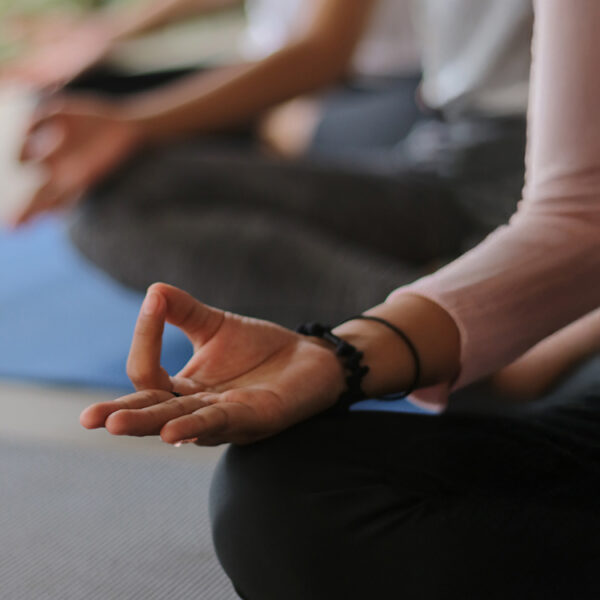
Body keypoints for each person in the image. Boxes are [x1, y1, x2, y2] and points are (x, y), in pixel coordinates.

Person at [80, 1, 600, 597]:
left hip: (454, 139)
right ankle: (493, 337)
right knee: (283, 498)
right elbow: (579, 213)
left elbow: (323, 52)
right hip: (453, 147)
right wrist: (338, 355)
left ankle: (527, 338)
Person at [9, 0, 532, 326]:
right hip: (443, 151)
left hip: (489, 149)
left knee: (261, 496)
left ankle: (444, 327)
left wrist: (134, 123)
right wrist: (110, 33)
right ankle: (426, 316)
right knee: (114, 207)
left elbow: (320, 52)